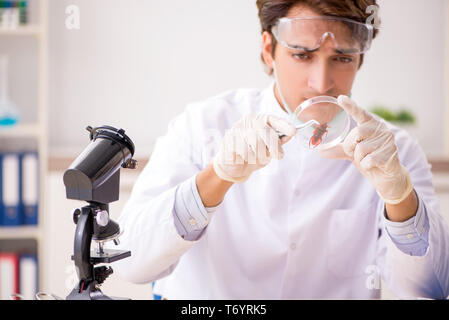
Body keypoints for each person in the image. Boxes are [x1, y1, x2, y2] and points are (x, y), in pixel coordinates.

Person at [111, 0, 449, 299]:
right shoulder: (202, 126)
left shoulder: (393, 152)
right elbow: (129, 262)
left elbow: (432, 288)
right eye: (302, 55)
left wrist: (399, 195)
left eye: (342, 58)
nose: (321, 82)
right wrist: (217, 177)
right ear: (267, 49)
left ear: (359, 60)